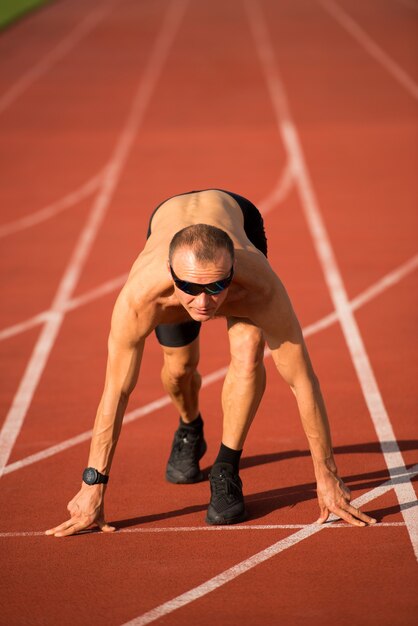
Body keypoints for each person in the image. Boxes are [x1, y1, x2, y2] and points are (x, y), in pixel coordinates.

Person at [46, 189, 376, 537]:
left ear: (233, 270)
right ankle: (190, 427)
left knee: (249, 354)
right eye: (189, 287)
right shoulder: (141, 298)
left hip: (238, 218)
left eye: (217, 286)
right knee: (178, 370)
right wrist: (92, 486)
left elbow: (302, 380)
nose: (203, 302)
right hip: (170, 223)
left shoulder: (259, 286)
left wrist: (328, 477)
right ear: (171, 273)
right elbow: (117, 390)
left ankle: (226, 468)